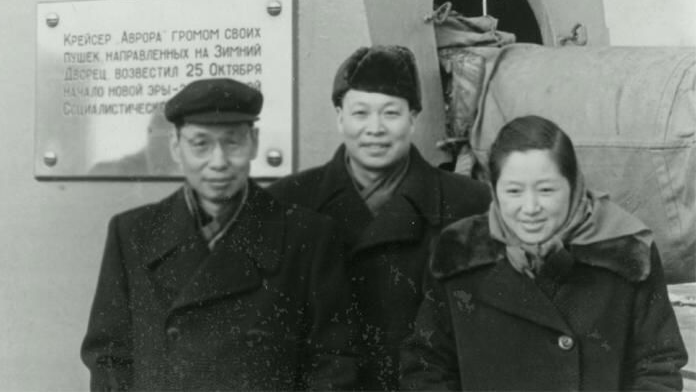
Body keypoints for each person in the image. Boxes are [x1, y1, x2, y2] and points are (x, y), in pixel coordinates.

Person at [81, 78, 358, 391]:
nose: (218, 162)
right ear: (176, 147)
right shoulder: (133, 233)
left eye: (232, 143)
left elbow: (333, 364)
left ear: (254, 142)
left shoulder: (307, 236)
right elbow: (108, 357)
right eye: (200, 144)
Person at [400, 115, 688, 391]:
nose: (530, 208)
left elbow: (658, 366)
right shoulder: (461, 253)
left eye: (547, 190)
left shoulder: (626, 252)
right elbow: (426, 366)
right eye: (514, 191)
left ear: (573, 185)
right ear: (494, 191)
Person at [268, 45, 491, 390]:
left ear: (413, 118)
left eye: (390, 113)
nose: (375, 128)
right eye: (360, 113)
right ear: (340, 117)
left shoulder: (469, 202)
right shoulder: (289, 201)